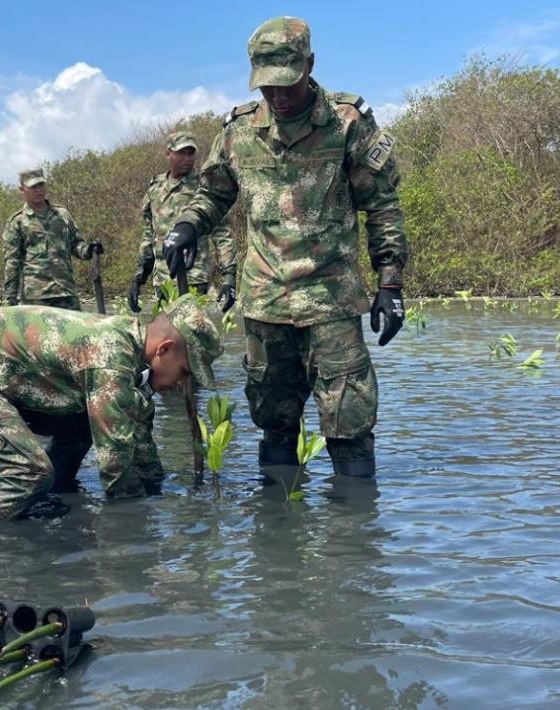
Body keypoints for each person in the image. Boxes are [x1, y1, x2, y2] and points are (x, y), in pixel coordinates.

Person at [163, 16, 409, 478]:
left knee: (349, 427)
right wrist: (188, 225)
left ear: (309, 65)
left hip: (331, 301)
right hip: (264, 303)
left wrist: (390, 283)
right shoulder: (238, 130)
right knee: (274, 427)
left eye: (286, 84)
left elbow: (383, 206)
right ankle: (276, 542)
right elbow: (214, 193)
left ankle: (353, 542)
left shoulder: (347, 122)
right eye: (266, 87)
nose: (276, 96)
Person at [0, 294, 223, 522]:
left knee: (83, 421)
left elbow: (136, 439)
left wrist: (157, 485)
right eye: (185, 372)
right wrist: (136, 526)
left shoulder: (125, 349)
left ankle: (53, 492)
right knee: (29, 472)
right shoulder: (110, 360)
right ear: (164, 350)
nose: (182, 384)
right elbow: (115, 467)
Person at [128, 130, 237, 313]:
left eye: (191, 153)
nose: (187, 158)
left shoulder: (205, 187)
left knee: (192, 337)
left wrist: (229, 277)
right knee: (167, 337)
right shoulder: (155, 188)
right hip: (162, 279)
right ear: (168, 153)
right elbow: (149, 235)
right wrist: (139, 277)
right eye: (181, 153)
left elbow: (222, 234)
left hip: (193, 278)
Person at [2, 167, 102, 311]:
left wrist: (89, 250)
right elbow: (12, 261)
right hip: (36, 296)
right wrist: (10, 296)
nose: (39, 190)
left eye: (41, 185)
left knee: (75, 333)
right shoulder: (17, 221)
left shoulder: (62, 215)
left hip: (65, 291)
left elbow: (75, 244)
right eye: (33, 187)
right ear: (22, 189)